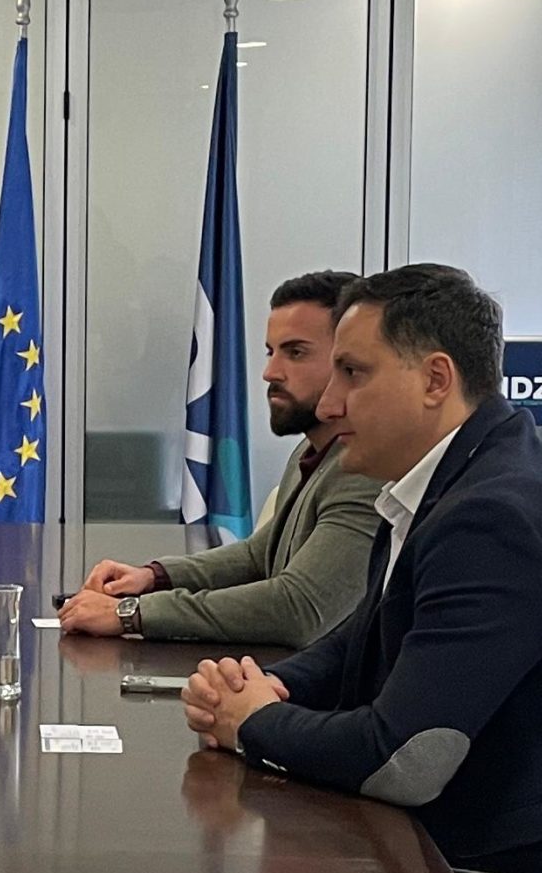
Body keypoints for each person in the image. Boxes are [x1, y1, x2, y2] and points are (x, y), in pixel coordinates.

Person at [180, 263, 542, 873]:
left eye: (353, 374)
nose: (329, 404)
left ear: (435, 380)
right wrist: (273, 685)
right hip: (436, 852)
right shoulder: (451, 484)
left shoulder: (497, 518)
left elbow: (403, 759)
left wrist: (253, 723)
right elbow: (363, 635)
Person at [63, 271, 381, 645]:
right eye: (271, 352)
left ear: (347, 362)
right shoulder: (312, 450)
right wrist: (152, 577)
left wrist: (132, 614)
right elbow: (258, 557)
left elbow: (298, 608)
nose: (270, 373)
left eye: (295, 353)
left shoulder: (366, 470)